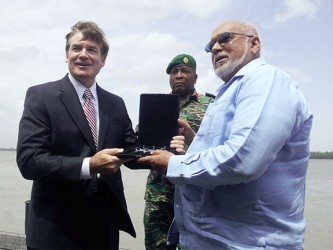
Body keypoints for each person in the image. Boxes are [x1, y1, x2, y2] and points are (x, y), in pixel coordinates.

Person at [139, 20, 313, 249]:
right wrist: (195, 142)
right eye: (211, 45)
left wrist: (174, 165)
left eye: (225, 38)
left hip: (249, 243)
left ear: (255, 44)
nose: (216, 48)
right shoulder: (229, 92)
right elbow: (225, 151)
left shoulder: (266, 82)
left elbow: (243, 160)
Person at [16, 21, 184, 250]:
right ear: (67, 55)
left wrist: (165, 152)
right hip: (55, 228)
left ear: (102, 60)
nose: (83, 55)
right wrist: (90, 165)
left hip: (104, 225)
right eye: (77, 48)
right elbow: (29, 161)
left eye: (92, 49)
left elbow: (131, 153)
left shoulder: (115, 103)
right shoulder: (41, 96)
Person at [143, 54, 213, 250]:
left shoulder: (212, 106)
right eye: (174, 72)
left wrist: (188, 148)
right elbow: (141, 142)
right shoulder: (155, 106)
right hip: (159, 195)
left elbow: (219, 149)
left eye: (185, 71)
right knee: (155, 245)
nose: (179, 76)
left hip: (196, 193)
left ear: (196, 77)